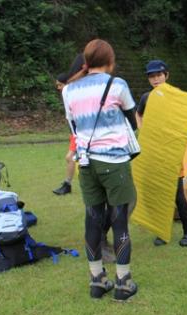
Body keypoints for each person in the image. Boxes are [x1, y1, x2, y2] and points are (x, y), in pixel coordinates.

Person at [62, 39, 138, 301]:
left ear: (86, 61)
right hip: (115, 163)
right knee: (119, 221)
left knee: (92, 220)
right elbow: (132, 121)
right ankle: (123, 282)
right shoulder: (117, 85)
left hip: (86, 163)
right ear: (110, 60)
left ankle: (97, 280)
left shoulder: (69, 90)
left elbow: (73, 127)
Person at [136, 59, 187, 247]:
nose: (155, 79)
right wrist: (143, 131)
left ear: (166, 75)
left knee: (178, 196)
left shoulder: (176, 96)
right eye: (152, 76)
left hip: (171, 153)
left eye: (159, 75)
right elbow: (138, 114)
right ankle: (162, 232)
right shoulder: (146, 97)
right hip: (154, 154)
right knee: (158, 195)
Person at [53, 54, 84, 196]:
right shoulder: (68, 92)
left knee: (70, 157)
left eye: (60, 85)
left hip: (79, 132)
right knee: (71, 158)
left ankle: (68, 184)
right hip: (75, 132)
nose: (58, 88)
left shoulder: (70, 91)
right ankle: (68, 184)